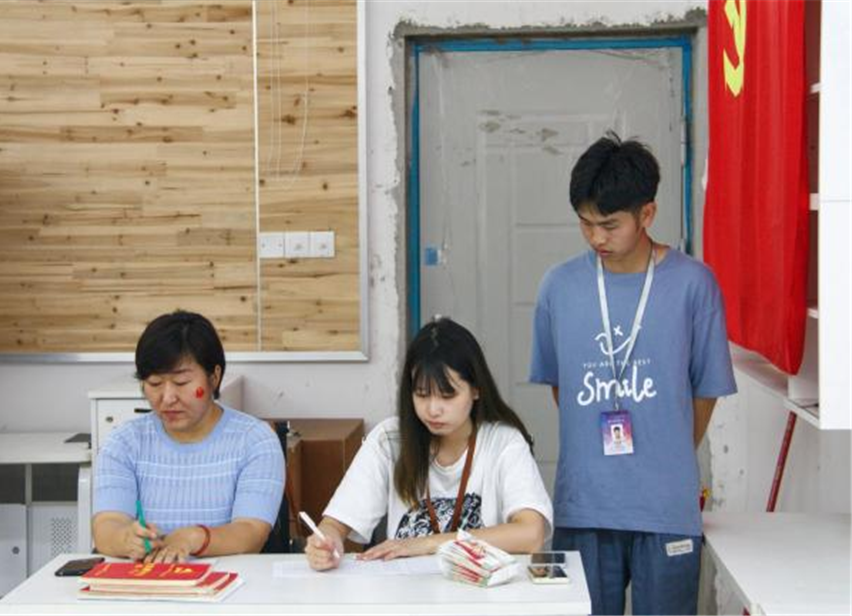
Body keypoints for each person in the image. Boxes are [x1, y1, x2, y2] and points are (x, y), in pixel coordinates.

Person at [530, 132, 736, 615]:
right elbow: (563, 387)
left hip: (666, 508)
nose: (596, 237)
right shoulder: (559, 287)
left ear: (647, 214)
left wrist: (666, 452)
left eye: (609, 224)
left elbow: (705, 392)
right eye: (585, 223)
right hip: (584, 505)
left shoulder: (694, 284)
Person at [305, 318, 553, 570]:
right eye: (422, 394)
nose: (433, 409)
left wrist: (427, 543)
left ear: (476, 389)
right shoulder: (389, 440)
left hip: (480, 590)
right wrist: (327, 541)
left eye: (448, 395)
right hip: (406, 589)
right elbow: (335, 524)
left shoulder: (504, 442)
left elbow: (532, 533)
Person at [92, 310, 285, 563]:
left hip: (230, 582)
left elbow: (250, 533)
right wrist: (125, 538)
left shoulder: (254, 441)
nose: (167, 398)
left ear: (214, 377)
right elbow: (107, 525)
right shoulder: (124, 442)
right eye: (154, 383)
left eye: (182, 382)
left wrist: (194, 538)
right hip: (146, 581)